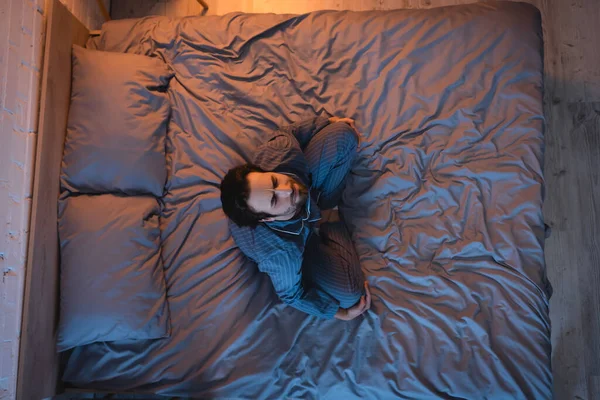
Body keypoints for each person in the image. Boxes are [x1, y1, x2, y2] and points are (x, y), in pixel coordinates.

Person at [220, 115, 371, 321]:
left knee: (344, 133)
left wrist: (327, 121)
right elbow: (291, 295)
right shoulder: (280, 256)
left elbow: (292, 132)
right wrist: (340, 313)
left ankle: (326, 206)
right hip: (299, 243)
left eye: (274, 181)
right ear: (268, 219)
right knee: (351, 296)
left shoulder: (277, 153)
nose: (286, 189)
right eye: (274, 199)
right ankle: (331, 223)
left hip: (311, 190)